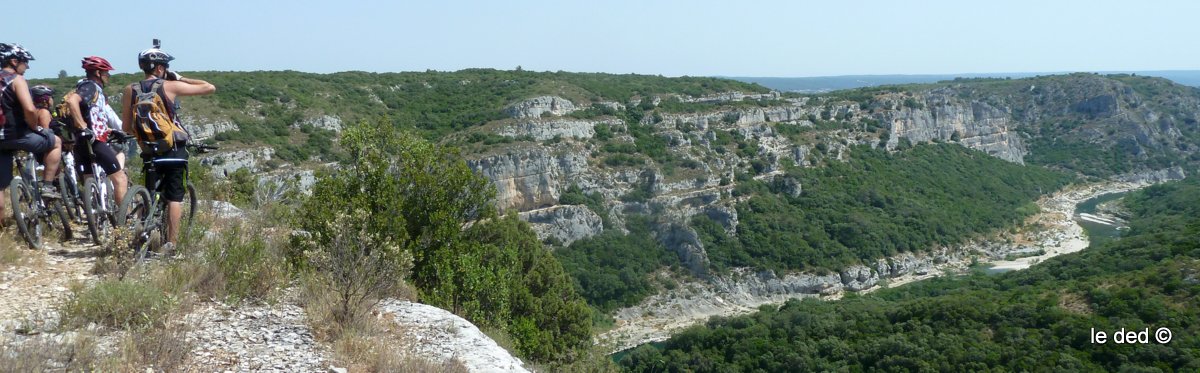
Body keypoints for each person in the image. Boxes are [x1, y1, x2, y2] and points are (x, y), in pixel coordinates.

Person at [120, 45, 215, 250]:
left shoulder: (130, 90)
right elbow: (209, 87)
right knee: (175, 196)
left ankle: (139, 227)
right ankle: (171, 244)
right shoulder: (170, 86)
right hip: (172, 151)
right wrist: (179, 79)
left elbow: (126, 127)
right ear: (161, 68)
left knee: (149, 189)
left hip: (147, 150)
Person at [0, 43, 62, 222]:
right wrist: (35, 127)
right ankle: (48, 186)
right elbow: (29, 108)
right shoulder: (16, 79)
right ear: (13, 61)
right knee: (55, 141)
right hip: (17, 135)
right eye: (24, 62)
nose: (27, 66)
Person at [65, 56, 128, 206]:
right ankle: (124, 220)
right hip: (94, 141)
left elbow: (94, 117)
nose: (108, 76)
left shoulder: (94, 91)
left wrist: (110, 130)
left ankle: (96, 217)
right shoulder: (91, 86)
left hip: (80, 142)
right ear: (98, 73)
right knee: (120, 178)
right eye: (106, 73)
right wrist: (83, 127)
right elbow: (72, 101)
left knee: (90, 180)